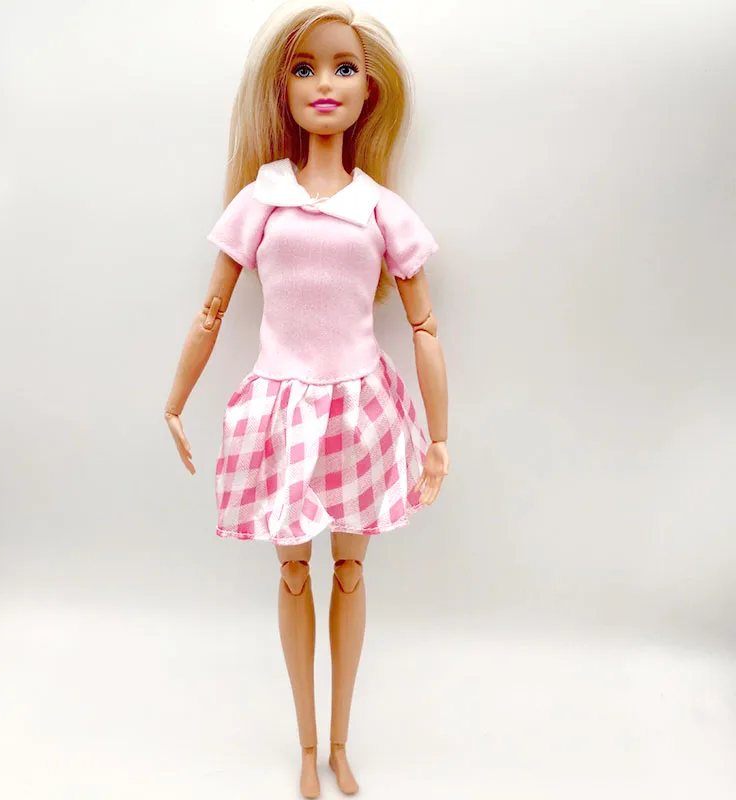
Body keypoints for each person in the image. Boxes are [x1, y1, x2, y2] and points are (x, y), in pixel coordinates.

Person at [164, 1, 449, 795]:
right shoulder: (261, 198)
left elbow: (424, 326)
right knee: (294, 576)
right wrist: (175, 401)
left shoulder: (381, 209)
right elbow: (212, 309)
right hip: (282, 409)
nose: (325, 83)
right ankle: (305, 746)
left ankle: (342, 744)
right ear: (283, 89)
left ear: (369, 91)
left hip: (359, 410)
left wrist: (438, 438)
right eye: (304, 67)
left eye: (343, 67)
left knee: (350, 572)